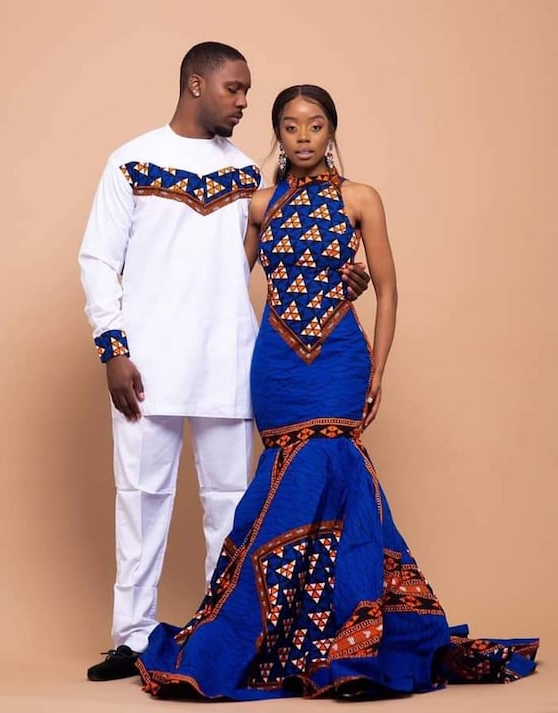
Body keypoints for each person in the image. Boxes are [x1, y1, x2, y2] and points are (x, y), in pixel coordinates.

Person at [136, 85, 539, 701]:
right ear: (277, 135)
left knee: (337, 474)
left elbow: (388, 288)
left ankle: (356, 643)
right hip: (276, 365)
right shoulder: (259, 204)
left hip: (340, 360)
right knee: (288, 488)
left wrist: (378, 367)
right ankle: (280, 640)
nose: (303, 136)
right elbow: (223, 287)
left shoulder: (361, 198)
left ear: (332, 131)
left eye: (316, 124)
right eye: (290, 125)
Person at [79, 45, 369, 682]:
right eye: (234, 90)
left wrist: (345, 280)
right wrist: (113, 348)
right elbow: (98, 259)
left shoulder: (246, 175)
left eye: (246, 91)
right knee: (140, 499)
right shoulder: (131, 160)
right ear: (196, 84)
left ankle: (225, 636)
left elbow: (288, 253)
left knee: (233, 505)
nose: (244, 103)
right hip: (146, 362)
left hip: (232, 359)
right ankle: (132, 637)